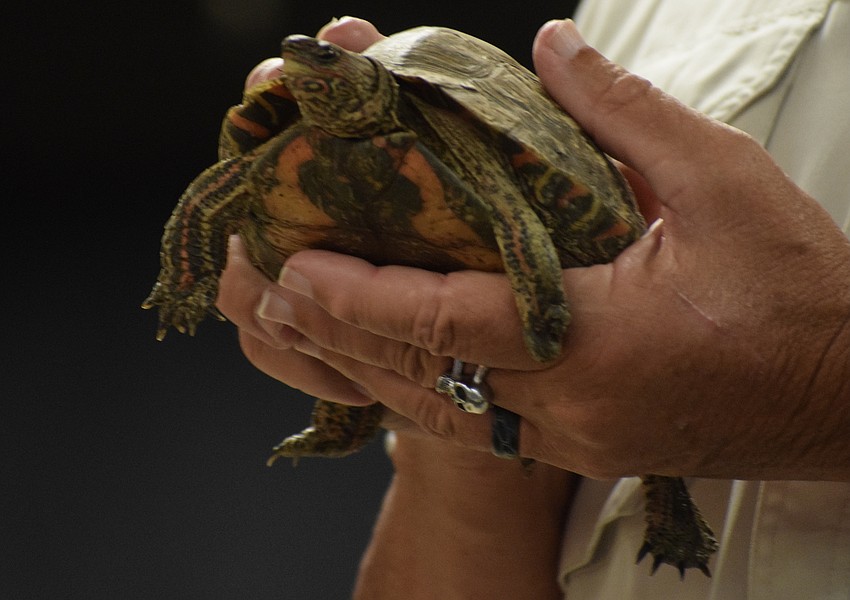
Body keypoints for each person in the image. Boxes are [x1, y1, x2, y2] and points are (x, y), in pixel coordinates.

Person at [216, 2, 850, 598]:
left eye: (326, 65)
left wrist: (817, 383)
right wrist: (452, 395)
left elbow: (513, 207)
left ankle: (668, 499)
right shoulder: (631, 11)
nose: (309, 68)